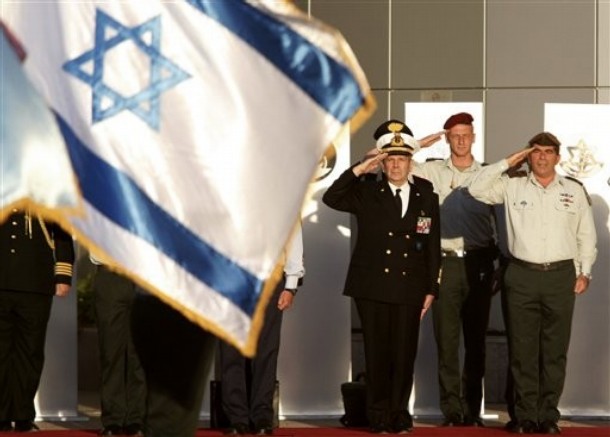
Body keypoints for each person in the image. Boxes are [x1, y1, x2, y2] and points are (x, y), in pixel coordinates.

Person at [467, 132, 597, 434]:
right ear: (528, 156)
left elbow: (586, 235)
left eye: (548, 152)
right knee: (522, 350)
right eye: (536, 151)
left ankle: (548, 415)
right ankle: (525, 416)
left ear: (557, 157)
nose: (542, 157)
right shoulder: (512, 186)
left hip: (560, 276)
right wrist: (508, 162)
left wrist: (585, 272)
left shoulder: (574, 190)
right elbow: (475, 188)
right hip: (521, 275)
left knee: (554, 351)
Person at [323, 120, 441, 434]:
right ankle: (377, 414)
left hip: (409, 284)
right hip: (373, 284)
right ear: (382, 163)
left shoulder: (425, 195)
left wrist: (431, 287)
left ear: (410, 162)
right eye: (390, 159)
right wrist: (360, 169)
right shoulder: (366, 192)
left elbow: (431, 243)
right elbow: (331, 198)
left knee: (404, 354)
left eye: (401, 159)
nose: (396, 165)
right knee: (377, 352)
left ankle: (399, 412)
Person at [413, 112, 497, 427]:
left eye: (466, 135)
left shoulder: (488, 174)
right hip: (444, 264)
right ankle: (451, 410)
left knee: (476, 342)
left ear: (473, 137)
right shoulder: (432, 170)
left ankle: (472, 411)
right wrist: (419, 144)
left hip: (478, 263)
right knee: (446, 342)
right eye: (455, 135)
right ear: (447, 138)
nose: (461, 140)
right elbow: (389, 160)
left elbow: (502, 221)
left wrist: (499, 263)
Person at [219, 222, 305, 435]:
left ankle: (262, 417)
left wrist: (291, 285)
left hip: (271, 277)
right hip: (231, 275)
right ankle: (236, 418)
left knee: (266, 350)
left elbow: (293, 237)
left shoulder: (283, 200)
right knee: (231, 350)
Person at [0, 209, 75, 432]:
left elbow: (61, 230)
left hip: (35, 280)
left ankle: (22, 414)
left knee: (30, 351)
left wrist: (63, 275)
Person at [91, 261, 147, 436]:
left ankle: (137, 419)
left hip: (143, 275)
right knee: (111, 351)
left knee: (140, 355)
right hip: (110, 275)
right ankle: (113, 419)